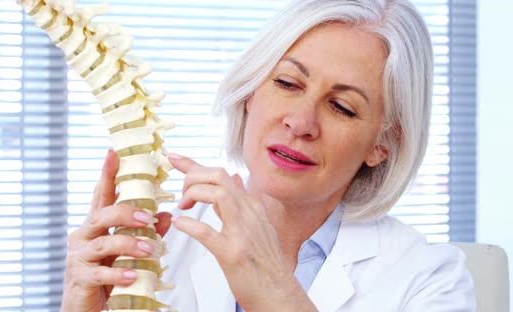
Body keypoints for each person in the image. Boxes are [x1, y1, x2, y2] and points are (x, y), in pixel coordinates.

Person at [60, 0, 475, 311]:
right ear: (249, 95)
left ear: (382, 144)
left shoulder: (430, 279)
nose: (300, 122)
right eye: (288, 83)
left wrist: (275, 292)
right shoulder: (159, 247)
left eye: (342, 107)